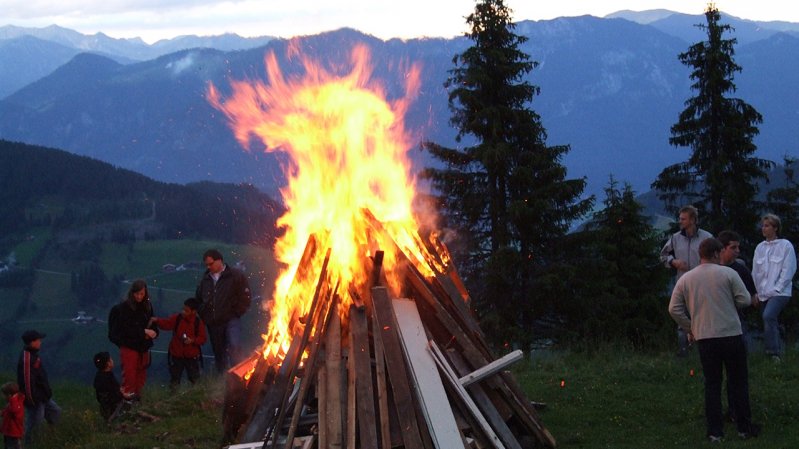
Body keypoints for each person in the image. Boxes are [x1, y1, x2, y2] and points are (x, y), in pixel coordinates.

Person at [669, 238, 759, 442]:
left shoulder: (687, 278)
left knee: (712, 383)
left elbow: (673, 308)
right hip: (730, 334)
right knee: (738, 381)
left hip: (705, 336)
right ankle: (744, 427)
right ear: (717, 253)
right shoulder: (728, 273)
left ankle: (715, 432)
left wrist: (689, 326)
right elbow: (745, 299)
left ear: (701, 254)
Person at [660, 205, 713, 356]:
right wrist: (673, 262)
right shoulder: (675, 238)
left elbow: (716, 258)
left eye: (683, 219)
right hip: (682, 284)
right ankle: (684, 354)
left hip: (703, 285)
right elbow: (663, 255)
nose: (680, 221)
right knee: (681, 319)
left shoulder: (707, 238)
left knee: (704, 320)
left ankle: (705, 352)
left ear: (692, 220)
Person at [196, 249, 252, 374]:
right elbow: (198, 300)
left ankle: (239, 377)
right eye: (207, 265)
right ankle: (224, 383)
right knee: (219, 354)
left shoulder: (235, 275)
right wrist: (206, 316)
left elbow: (246, 296)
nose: (208, 267)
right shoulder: (205, 280)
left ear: (219, 260)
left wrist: (236, 313)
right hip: (214, 323)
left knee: (234, 347)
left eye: (210, 263)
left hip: (231, 320)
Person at [752, 213, 797, 362]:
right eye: (763, 226)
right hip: (763, 292)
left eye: (767, 225)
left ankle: (773, 352)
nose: (763, 229)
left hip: (780, 292)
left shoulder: (785, 245)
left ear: (775, 228)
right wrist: (757, 292)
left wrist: (777, 288)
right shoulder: (760, 247)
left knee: (768, 316)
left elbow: (788, 269)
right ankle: (780, 350)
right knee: (770, 321)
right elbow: (756, 272)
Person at [108, 279, 159, 400]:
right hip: (129, 347)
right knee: (129, 377)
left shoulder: (147, 307)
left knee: (141, 377)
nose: (139, 297)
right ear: (132, 293)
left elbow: (153, 325)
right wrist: (144, 332)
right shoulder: (123, 309)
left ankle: (137, 401)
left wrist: (154, 333)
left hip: (143, 347)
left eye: (142, 294)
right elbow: (125, 329)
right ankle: (127, 402)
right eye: (137, 294)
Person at [17, 329, 61, 445]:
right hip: (35, 399)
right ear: (32, 342)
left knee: (55, 412)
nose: (40, 342)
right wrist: (32, 400)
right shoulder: (27, 359)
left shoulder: (33, 355)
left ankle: (52, 438)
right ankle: (31, 445)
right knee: (35, 425)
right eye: (38, 340)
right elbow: (27, 382)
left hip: (42, 396)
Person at [152, 297, 208, 388]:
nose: (183, 312)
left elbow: (203, 338)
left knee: (194, 379)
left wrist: (192, 341)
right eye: (183, 309)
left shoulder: (198, 323)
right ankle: (174, 396)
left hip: (191, 357)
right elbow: (167, 324)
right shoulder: (177, 318)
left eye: (186, 310)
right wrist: (157, 321)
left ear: (194, 311)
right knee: (175, 379)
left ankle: (196, 396)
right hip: (176, 355)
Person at [92, 351, 124, 422]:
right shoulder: (109, 378)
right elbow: (115, 395)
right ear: (108, 363)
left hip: (104, 409)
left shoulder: (98, 376)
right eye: (111, 359)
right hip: (114, 407)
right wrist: (123, 394)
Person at [1, 382, 24, 449]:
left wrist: (13, 399)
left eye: (4, 395)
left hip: (14, 434)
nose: (3, 397)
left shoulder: (16, 404)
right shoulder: (11, 404)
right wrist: (2, 412)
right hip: (8, 433)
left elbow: (14, 410)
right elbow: (7, 411)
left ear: (9, 395)